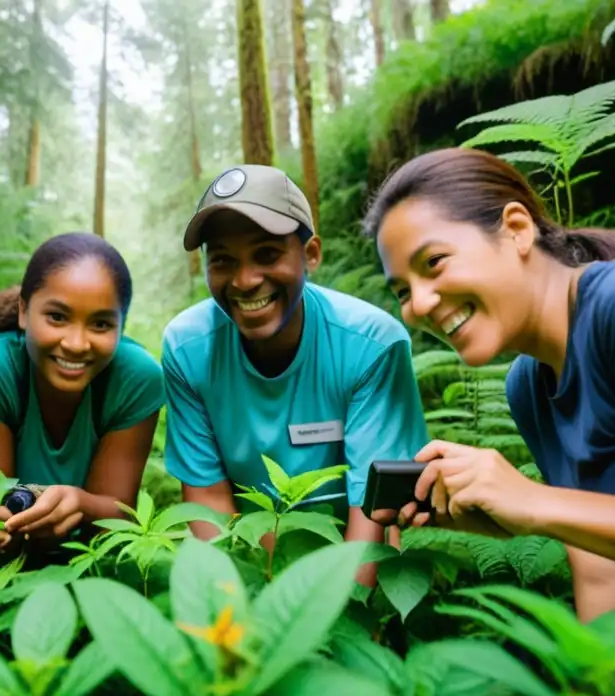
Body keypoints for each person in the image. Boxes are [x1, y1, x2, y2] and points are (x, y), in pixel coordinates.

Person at [364, 146, 615, 679]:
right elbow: (606, 580)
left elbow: (553, 508)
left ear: (516, 228)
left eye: (433, 263)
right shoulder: (529, 385)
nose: (420, 304)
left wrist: (536, 503)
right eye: (402, 291)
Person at [162, 164, 429, 585]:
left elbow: (375, 508)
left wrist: (338, 619)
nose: (245, 280)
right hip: (251, 554)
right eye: (223, 261)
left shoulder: (371, 345)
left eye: (267, 254)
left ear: (311, 255)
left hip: (356, 552)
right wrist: (240, 608)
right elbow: (208, 496)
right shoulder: (187, 349)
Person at [0, 232, 165, 559]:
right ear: (24, 312)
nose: (76, 343)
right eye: (57, 317)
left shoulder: (137, 379)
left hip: (91, 563)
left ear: (122, 327)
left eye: (100, 324)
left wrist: (81, 504)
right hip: (5, 573)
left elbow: (118, 514)